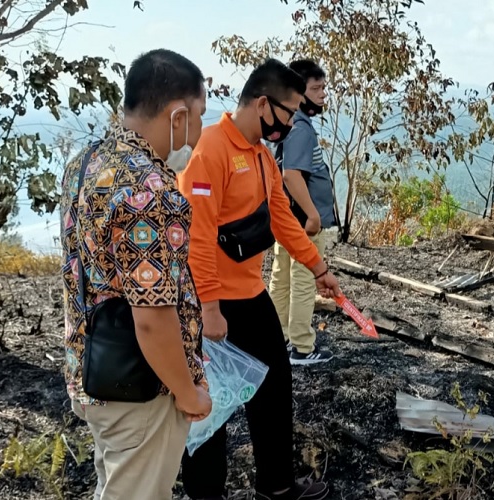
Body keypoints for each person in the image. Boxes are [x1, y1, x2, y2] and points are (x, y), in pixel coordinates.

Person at [178, 58, 340, 500]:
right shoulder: (210, 150)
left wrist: (319, 268)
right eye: (288, 112)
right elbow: (198, 234)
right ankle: (206, 494)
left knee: (273, 390)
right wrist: (209, 308)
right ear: (263, 104)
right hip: (209, 305)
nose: (290, 123)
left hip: (251, 296)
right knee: (208, 407)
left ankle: (277, 487)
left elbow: (283, 219)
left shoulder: (262, 156)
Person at [60, 48, 212, 500]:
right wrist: (188, 393)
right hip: (140, 387)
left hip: (93, 369)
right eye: (199, 116)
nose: (200, 129)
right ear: (178, 115)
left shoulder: (85, 163)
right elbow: (151, 316)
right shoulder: (150, 191)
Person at [268, 59, 338, 365]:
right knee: (302, 279)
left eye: (324, 87)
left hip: (286, 217)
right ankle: (301, 346)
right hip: (303, 221)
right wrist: (312, 214)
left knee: (281, 276)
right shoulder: (301, 129)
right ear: (299, 91)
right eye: (316, 88)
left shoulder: (287, 123)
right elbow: (291, 174)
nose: (323, 94)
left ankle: (278, 337)